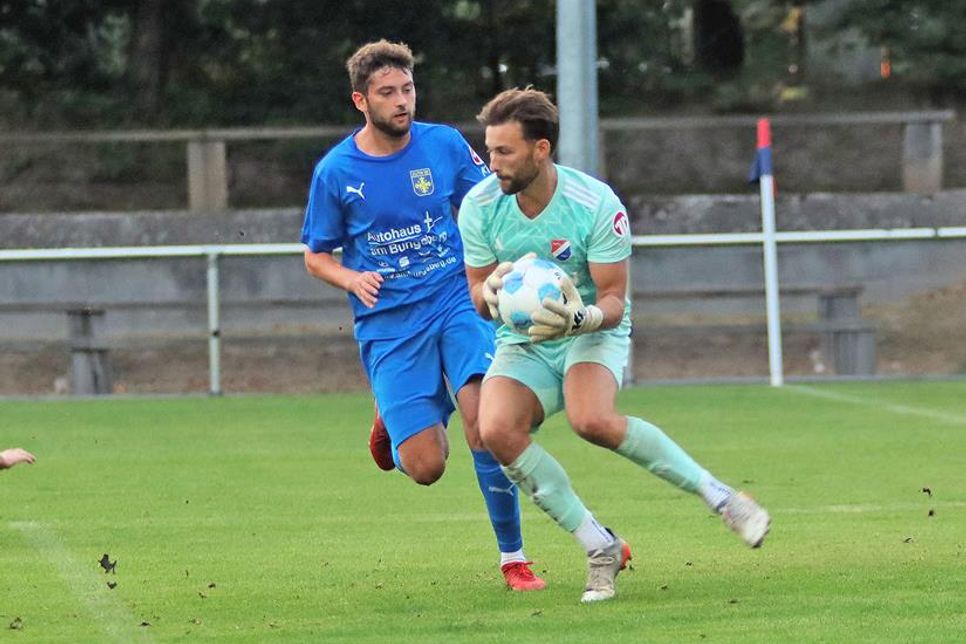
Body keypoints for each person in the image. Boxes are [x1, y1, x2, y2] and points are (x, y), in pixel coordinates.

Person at [457, 88, 771, 603]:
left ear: (541, 150)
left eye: (504, 151)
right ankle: (600, 545)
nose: (493, 164)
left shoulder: (595, 205)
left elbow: (615, 299)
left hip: (591, 330)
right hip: (524, 340)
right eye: (489, 150)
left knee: (592, 420)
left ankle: (724, 500)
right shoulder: (479, 205)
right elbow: (477, 292)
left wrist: (581, 317)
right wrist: (488, 293)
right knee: (495, 430)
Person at [300, 40, 544, 591]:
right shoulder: (335, 171)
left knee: (485, 423)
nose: (401, 101)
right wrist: (350, 276)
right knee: (426, 467)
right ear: (360, 100)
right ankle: (399, 414)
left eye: (407, 89)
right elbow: (315, 256)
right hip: (389, 323)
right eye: (387, 93)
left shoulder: (444, 144)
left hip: (456, 298)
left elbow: (488, 204)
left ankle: (514, 559)